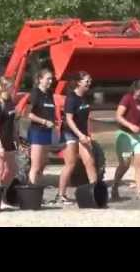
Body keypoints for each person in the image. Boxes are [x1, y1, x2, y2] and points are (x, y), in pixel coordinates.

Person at [54, 71, 98, 205]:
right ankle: (61, 195)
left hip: (82, 134)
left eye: (90, 81)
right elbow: (69, 120)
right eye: (87, 81)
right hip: (70, 133)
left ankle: (95, 192)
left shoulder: (85, 97)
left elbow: (85, 119)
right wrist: (80, 135)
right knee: (71, 163)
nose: (89, 83)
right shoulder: (71, 98)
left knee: (90, 162)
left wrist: (86, 135)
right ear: (79, 82)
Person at [111, 80, 140, 200]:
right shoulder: (127, 98)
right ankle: (115, 186)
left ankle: (139, 192)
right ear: (135, 89)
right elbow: (118, 116)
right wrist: (130, 125)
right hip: (125, 134)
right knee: (125, 164)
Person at [27, 69, 56, 185]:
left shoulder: (49, 93)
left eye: (51, 79)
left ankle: (37, 188)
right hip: (37, 131)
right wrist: (44, 121)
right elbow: (29, 114)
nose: (50, 81)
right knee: (36, 165)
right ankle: (31, 190)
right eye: (48, 78)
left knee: (43, 163)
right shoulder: (35, 93)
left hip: (47, 132)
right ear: (40, 79)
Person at [0, 77, 18, 192]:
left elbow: (12, 122)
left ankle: (3, 193)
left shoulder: (10, 101)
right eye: (11, 87)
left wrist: (16, 138)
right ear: (3, 88)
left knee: (12, 170)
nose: (13, 89)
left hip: (9, 139)